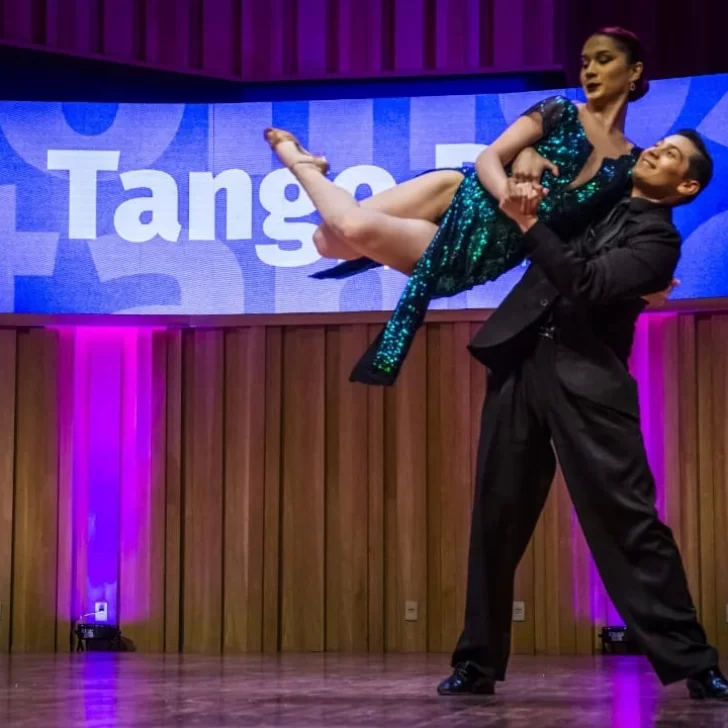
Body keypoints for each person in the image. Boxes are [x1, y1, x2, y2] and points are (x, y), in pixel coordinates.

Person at [436, 129, 728, 702]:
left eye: (671, 154)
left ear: (687, 186)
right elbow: (548, 149)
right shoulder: (599, 190)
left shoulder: (658, 243)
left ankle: (694, 662)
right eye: (658, 144)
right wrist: (526, 158)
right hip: (520, 362)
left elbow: (587, 283)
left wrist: (529, 223)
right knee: (495, 519)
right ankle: (476, 663)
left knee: (629, 521)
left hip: (588, 380)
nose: (654, 151)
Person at [264, 27, 664, 385]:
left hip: (474, 254)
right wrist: (508, 190)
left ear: (634, 71)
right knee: (330, 239)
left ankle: (306, 166)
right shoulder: (559, 109)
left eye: (603, 60)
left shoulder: (629, 167)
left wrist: (649, 281)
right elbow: (488, 158)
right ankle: (303, 163)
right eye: (585, 62)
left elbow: (614, 238)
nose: (590, 70)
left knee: (336, 235)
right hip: (459, 191)